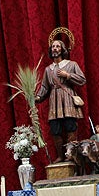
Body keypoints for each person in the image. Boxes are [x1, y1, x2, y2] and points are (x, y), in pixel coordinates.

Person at [35, 34, 86, 162]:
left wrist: (68, 75)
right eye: (53, 46)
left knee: (70, 127)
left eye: (58, 46)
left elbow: (82, 79)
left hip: (68, 99)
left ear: (63, 49)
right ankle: (60, 156)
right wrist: (38, 97)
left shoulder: (71, 64)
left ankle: (71, 155)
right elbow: (45, 87)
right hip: (54, 101)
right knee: (55, 129)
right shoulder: (48, 70)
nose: (55, 48)